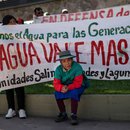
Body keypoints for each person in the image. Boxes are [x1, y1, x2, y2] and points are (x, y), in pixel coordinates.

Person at [53, 50, 89, 125]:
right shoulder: (58, 69)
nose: (67, 63)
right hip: (64, 87)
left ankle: (73, 115)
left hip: (78, 86)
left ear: (72, 60)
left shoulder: (77, 67)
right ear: (61, 62)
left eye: (69, 60)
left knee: (74, 92)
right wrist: (61, 88)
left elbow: (78, 83)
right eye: (64, 61)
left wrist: (68, 88)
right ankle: (63, 113)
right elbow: (56, 84)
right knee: (56, 93)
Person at [2, 15, 26, 119]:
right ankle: (11, 109)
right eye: (11, 22)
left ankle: (21, 109)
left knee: (19, 86)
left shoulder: (20, 34)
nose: (13, 24)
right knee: (8, 87)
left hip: (19, 64)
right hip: (7, 65)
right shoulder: (1, 35)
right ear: (5, 24)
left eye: (14, 21)